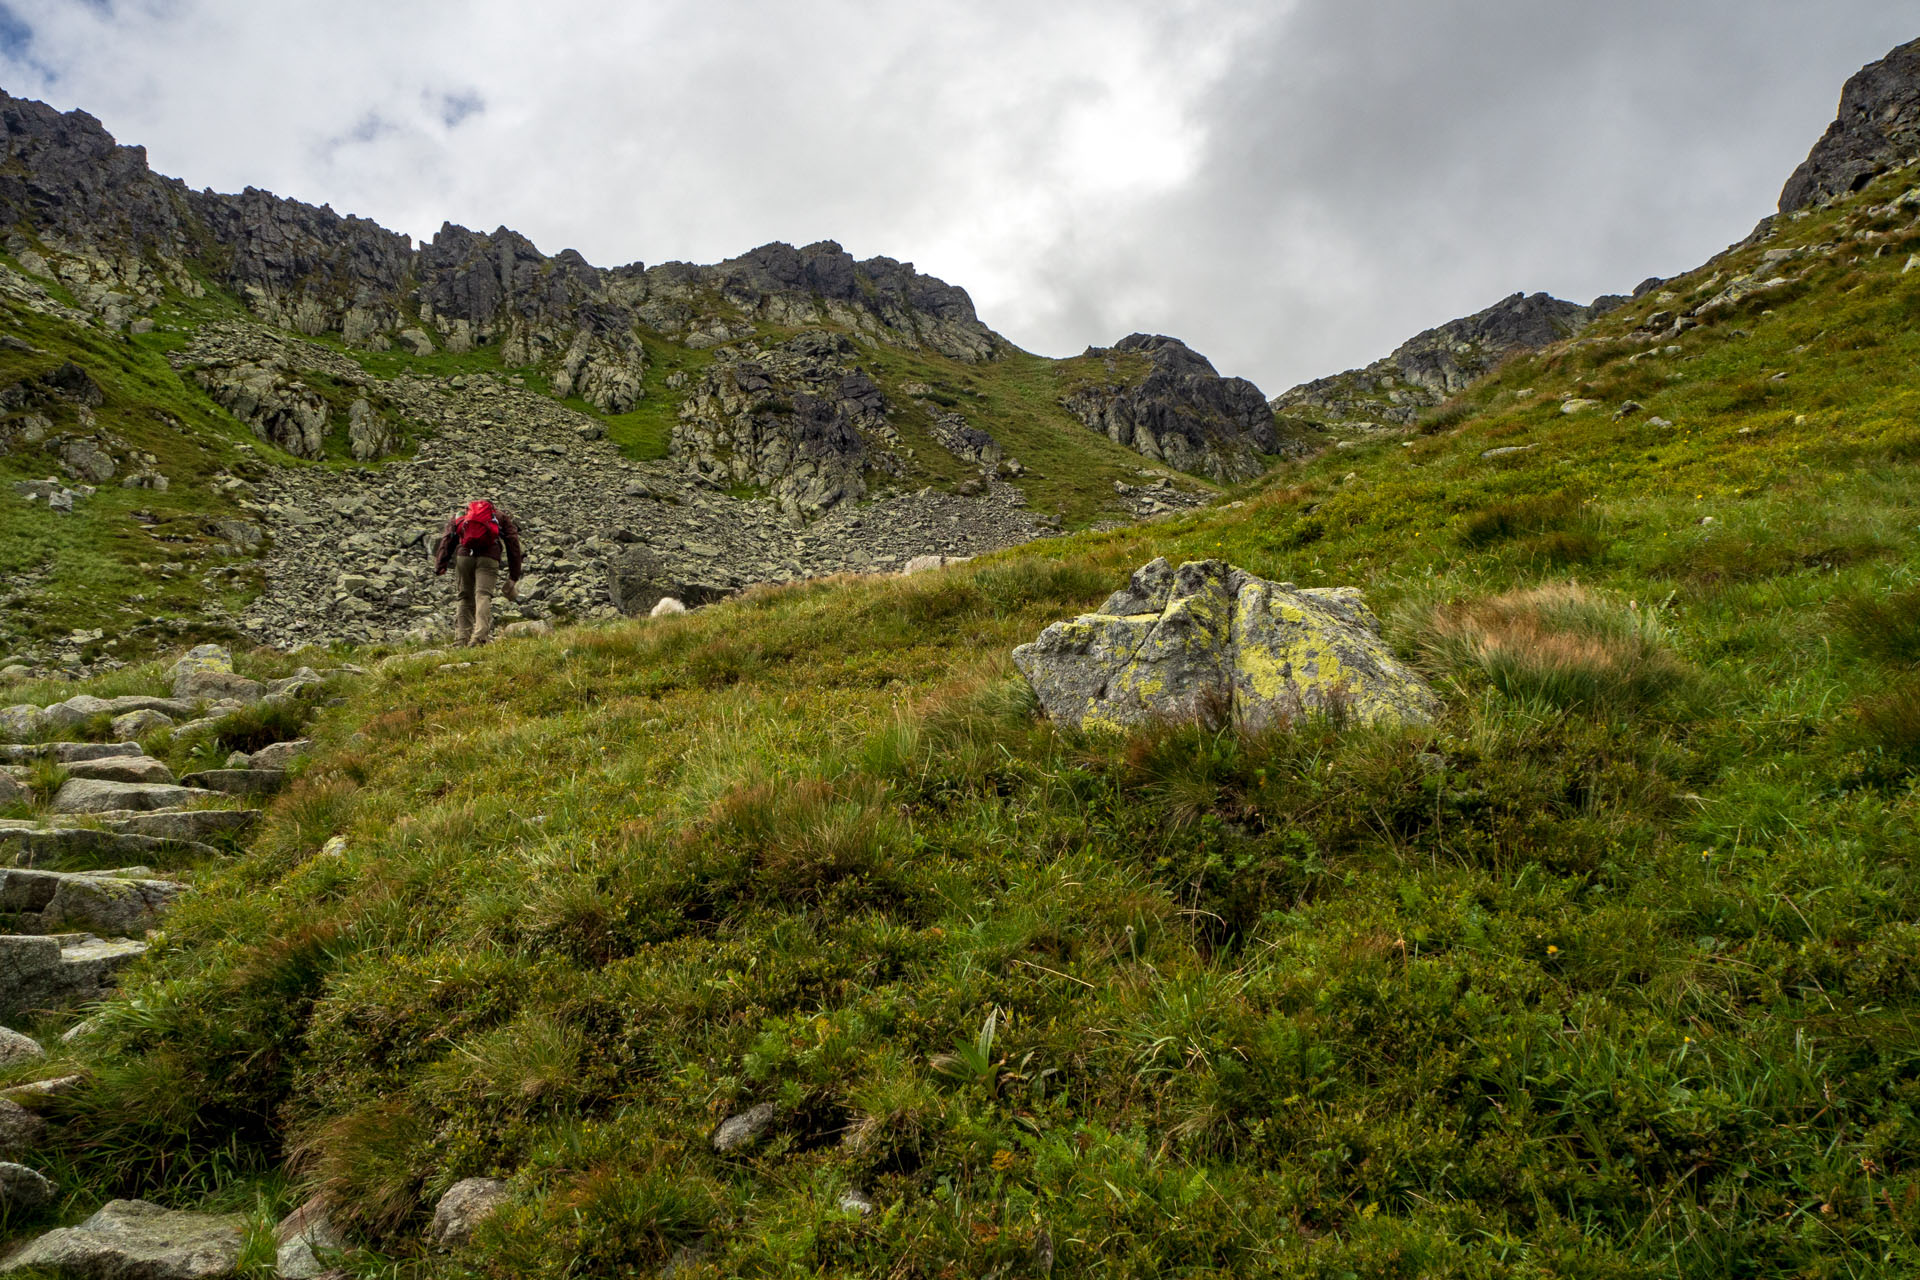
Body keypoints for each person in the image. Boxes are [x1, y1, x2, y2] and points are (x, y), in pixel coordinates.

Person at [432, 499, 524, 646]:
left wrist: (440, 563)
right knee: (483, 595)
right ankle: (479, 637)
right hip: (489, 558)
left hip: (464, 556)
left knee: (464, 596)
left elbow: (448, 539)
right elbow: (513, 543)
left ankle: (462, 639)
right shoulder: (499, 516)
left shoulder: (462, 515)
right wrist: (514, 575)